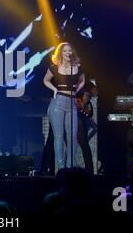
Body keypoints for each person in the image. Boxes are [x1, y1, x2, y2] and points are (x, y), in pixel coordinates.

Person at [43, 42, 85, 170]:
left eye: (70, 50)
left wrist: (76, 91)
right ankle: (61, 168)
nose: (68, 53)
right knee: (59, 136)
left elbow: (82, 81)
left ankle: (70, 166)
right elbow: (45, 80)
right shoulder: (54, 67)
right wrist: (54, 90)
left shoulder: (77, 67)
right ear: (60, 53)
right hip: (58, 103)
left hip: (72, 104)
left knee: (72, 137)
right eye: (65, 51)